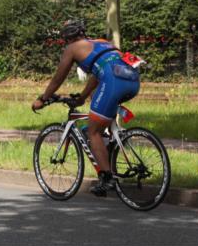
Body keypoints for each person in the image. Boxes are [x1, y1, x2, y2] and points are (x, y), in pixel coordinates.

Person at [32, 19, 140, 197]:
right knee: (101, 126)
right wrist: (82, 97)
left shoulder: (72, 48)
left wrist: (43, 99)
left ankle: (107, 179)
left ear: (67, 37)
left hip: (113, 81)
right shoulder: (101, 42)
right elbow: (99, 74)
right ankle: (110, 155)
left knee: (93, 131)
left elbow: (58, 78)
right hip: (133, 80)